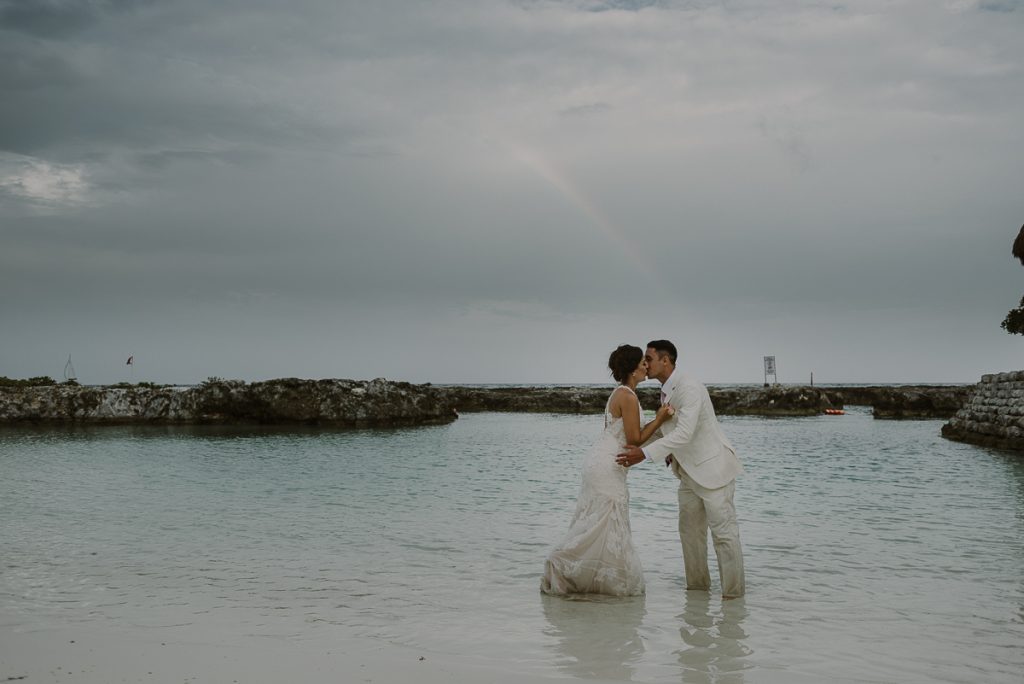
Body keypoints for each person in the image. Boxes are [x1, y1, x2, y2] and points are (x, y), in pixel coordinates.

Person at [541, 344, 675, 596]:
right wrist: (660, 419)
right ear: (633, 368)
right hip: (607, 466)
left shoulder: (620, 394)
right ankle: (560, 563)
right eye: (642, 362)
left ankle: (595, 580)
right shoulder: (627, 396)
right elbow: (634, 440)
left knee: (600, 523)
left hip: (602, 461)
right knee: (603, 521)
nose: (646, 365)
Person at [616, 340, 746, 599]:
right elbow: (668, 430)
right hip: (687, 474)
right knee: (690, 535)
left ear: (666, 360)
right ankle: (697, 595)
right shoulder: (666, 391)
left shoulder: (689, 387)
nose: (645, 363)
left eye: (649, 358)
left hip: (714, 471)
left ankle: (734, 598)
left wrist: (644, 453)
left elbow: (685, 433)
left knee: (724, 536)